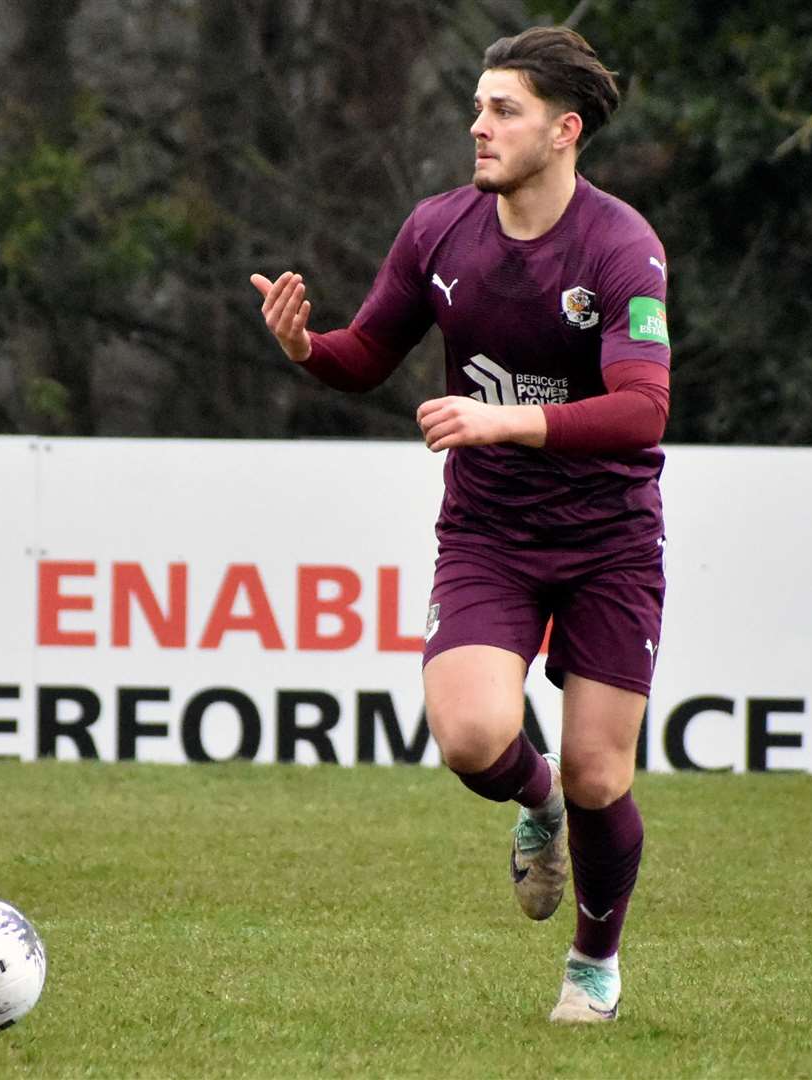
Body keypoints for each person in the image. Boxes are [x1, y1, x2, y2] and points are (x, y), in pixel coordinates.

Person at [251, 25, 669, 1024]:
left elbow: (641, 410)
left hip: (610, 538)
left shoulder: (620, 247)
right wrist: (306, 344)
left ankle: (592, 969)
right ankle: (539, 809)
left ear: (563, 130)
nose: (476, 126)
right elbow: (364, 354)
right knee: (473, 735)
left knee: (603, 769)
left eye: (503, 110)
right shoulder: (439, 229)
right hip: (488, 534)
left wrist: (505, 420)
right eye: (477, 106)